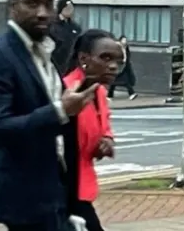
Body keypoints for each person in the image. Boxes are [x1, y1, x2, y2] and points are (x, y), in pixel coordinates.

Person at [0, 0, 97, 231]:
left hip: (54, 190)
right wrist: (60, 110)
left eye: (49, 4)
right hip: (24, 197)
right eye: (32, 3)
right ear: (12, 6)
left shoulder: (44, 51)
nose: (43, 12)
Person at [63, 29, 124, 231]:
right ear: (83, 58)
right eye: (105, 58)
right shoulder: (68, 92)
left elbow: (104, 126)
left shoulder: (98, 91)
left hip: (80, 187)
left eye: (119, 61)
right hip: (62, 191)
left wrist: (106, 141)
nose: (113, 66)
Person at [49, 0, 82, 74]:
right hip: (56, 65)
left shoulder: (75, 27)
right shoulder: (52, 26)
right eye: (67, 8)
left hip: (71, 65)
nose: (70, 10)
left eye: (71, 8)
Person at [107, 35, 138, 100]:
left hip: (123, 67)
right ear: (120, 40)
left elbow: (127, 57)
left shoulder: (125, 48)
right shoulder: (117, 47)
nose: (125, 42)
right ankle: (109, 96)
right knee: (116, 82)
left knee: (123, 81)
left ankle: (131, 94)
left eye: (126, 40)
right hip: (118, 67)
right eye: (123, 40)